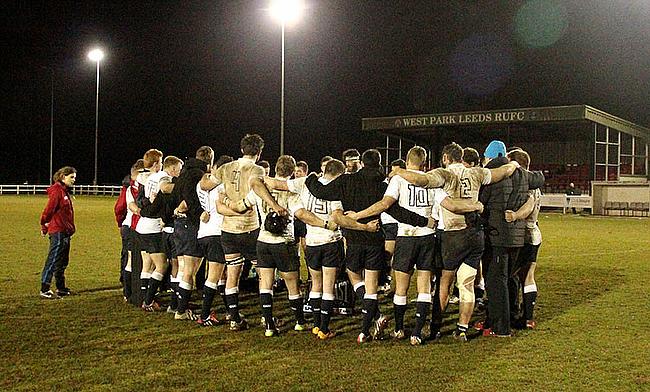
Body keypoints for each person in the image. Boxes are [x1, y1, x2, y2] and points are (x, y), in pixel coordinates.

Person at [390, 142, 520, 341]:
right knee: (467, 283)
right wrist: (513, 165)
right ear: (461, 157)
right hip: (475, 235)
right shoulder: (477, 172)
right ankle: (462, 329)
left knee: (445, 283)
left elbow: (421, 179)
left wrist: (399, 171)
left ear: (445, 158)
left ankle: (435, 327)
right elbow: (501, 172)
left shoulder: (444, 174)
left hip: (452, 235)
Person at [305, 149, 433, 343]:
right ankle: (364, 331)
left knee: (354, 275)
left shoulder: (347, 181)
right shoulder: (382, 184)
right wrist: (422, 221)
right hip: (375, 238)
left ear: (362, 163)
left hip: (355, 239)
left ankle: (369, 325)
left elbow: (320, 191)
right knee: (372, 287)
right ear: (379, 164)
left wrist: (311, 178)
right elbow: (397, 211)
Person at [264, 158, 380, 339]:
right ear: (340, 175)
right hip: (330, 241)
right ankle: (324, 329)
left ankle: (317, 325)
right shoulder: (339, 188)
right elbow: (338, 217)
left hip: (311, 242)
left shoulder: (305, 183)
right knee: (328, 287)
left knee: (315, 285)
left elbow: (276, 184)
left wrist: (261, 178)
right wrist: (362, 226)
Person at [200, 133, 287, 331]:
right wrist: (271, 205)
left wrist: (229, 202)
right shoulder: (255, 169)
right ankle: (267, 320)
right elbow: (256, 186)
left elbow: (207, 187)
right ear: (259, 152)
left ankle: (234, 319)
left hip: (228, 231)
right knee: (265, 274)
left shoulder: (225, 168)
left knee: (232, 273)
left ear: (241, 149)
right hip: (249, 230)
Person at [478, 140, 544, 337]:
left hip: (498, 236)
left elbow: (482, 203)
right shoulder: (523, 175)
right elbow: (539, 178)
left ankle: (501, 327)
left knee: (496, 281)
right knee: (509, 278)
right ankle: (513, 315)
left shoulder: (492, 177)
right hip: (519, 237)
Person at [170, 146, 214, 320]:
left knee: (182, 269)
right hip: (190, 225)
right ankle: (181, 311)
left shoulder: (184, 173)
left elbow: (176, 196)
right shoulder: (196, 174)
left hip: (179, 224)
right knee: (189, 270)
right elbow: (190, 198)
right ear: (209, 158)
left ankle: (176, 305)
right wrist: (199, 214)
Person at [505, 149, 541, 329]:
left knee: (511, 275)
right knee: (527, 276)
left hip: (525, 234)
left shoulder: (526, 184)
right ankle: (527, 317)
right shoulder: (534, 183)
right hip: (534, 233)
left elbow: (529, 206)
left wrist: (515, 216)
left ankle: (513, 313)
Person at [39, 166, 77, 299]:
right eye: (71, 177)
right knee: (53, 259)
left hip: (65, 231)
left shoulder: (64, 191)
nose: (74, 180)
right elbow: (48, 211)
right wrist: (44, 225)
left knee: (62, 261)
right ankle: (45, 288)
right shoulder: (57, 191)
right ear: (63, 177)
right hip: (58, 231)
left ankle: (61, 288)